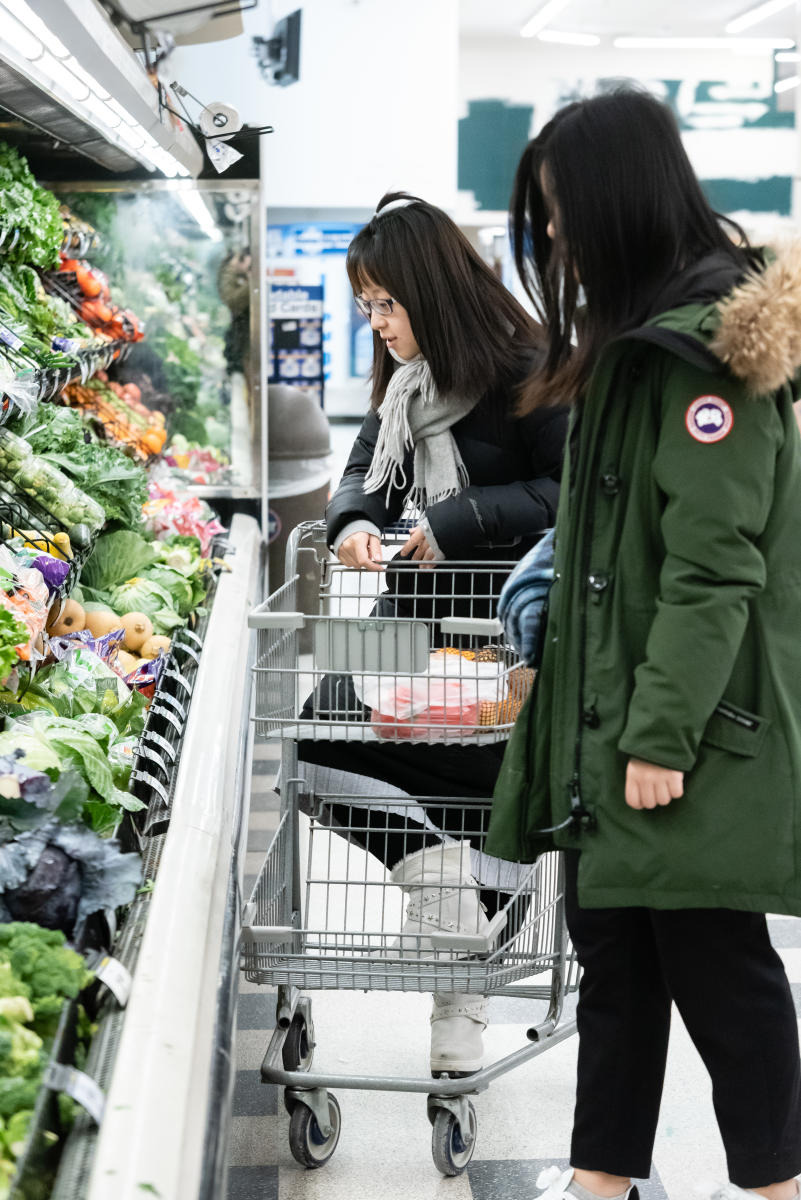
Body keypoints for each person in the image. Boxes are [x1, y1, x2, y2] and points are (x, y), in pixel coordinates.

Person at [486, 89, 801, 1200]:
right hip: (607, 720)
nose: (557, 236)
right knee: (616, 965)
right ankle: (597, 1183)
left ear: (614, 201)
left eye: (564, 210)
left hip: (680, 732)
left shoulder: (706, 359)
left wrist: (661, 734)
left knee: (721, 972)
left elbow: (715, 570)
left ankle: (774, 1185)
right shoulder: (640, 344)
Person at [299, 191, 567, 1077]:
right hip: (407, 620)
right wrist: (350, 525)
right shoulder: (407, 379)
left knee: (474, 790)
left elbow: (575, 494)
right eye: (364, 305)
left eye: (385, 303)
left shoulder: (532, 365)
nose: (374, 322)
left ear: (432, 292)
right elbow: (360, 473)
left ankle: (459, 1017)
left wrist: (462, 519)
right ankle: (447, 886)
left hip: (502, 639)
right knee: (308, 737)